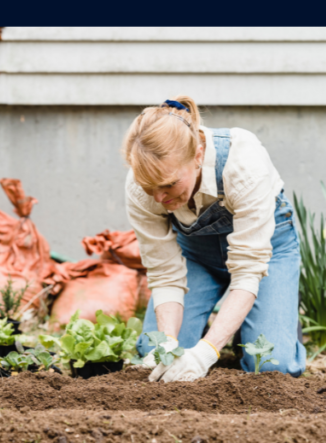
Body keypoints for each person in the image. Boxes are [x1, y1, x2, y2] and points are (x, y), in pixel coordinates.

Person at [122, 95, 306, 383]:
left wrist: (206, 352)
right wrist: (169, 345)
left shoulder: (243, 164)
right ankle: (229, 322)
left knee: (272, 365)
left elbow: (247, 272)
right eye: (150, 187)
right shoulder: (140, 186)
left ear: (197, 155)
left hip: (267, 255)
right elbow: (165, 275)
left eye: (169, 184)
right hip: (197, 258)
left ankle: (261, 321)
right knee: (154, 352)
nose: (159, 198)